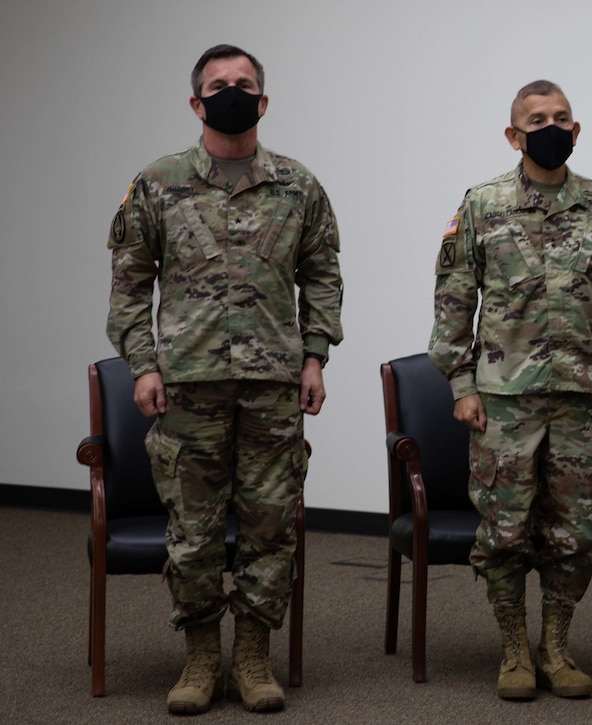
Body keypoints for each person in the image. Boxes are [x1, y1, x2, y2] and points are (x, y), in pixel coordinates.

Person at [106, 44, 343, 714]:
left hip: (272, 387)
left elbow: (322, 276)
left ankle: (252, 656)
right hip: (187, 387)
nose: (230, 92)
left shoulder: (299, 186)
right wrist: (143, 364)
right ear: (195, 101)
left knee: (271, 526)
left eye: (244, 84)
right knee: (193, 528)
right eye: (218, 84)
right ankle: (202, 655)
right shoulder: (157, 183)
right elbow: (129, 288)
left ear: (263, 101)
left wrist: (315, 355)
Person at [428, 80, 592, 700]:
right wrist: (462, 383)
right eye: (537, 119)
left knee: (575, 532)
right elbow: (452, 301)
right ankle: (514, 648)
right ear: (513, 134)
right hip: (504, 401)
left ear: (576, 130)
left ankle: (556, 643)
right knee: (503, 530)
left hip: (580, 399)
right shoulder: (482, 205)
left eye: (561, 118)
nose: (551, 128)